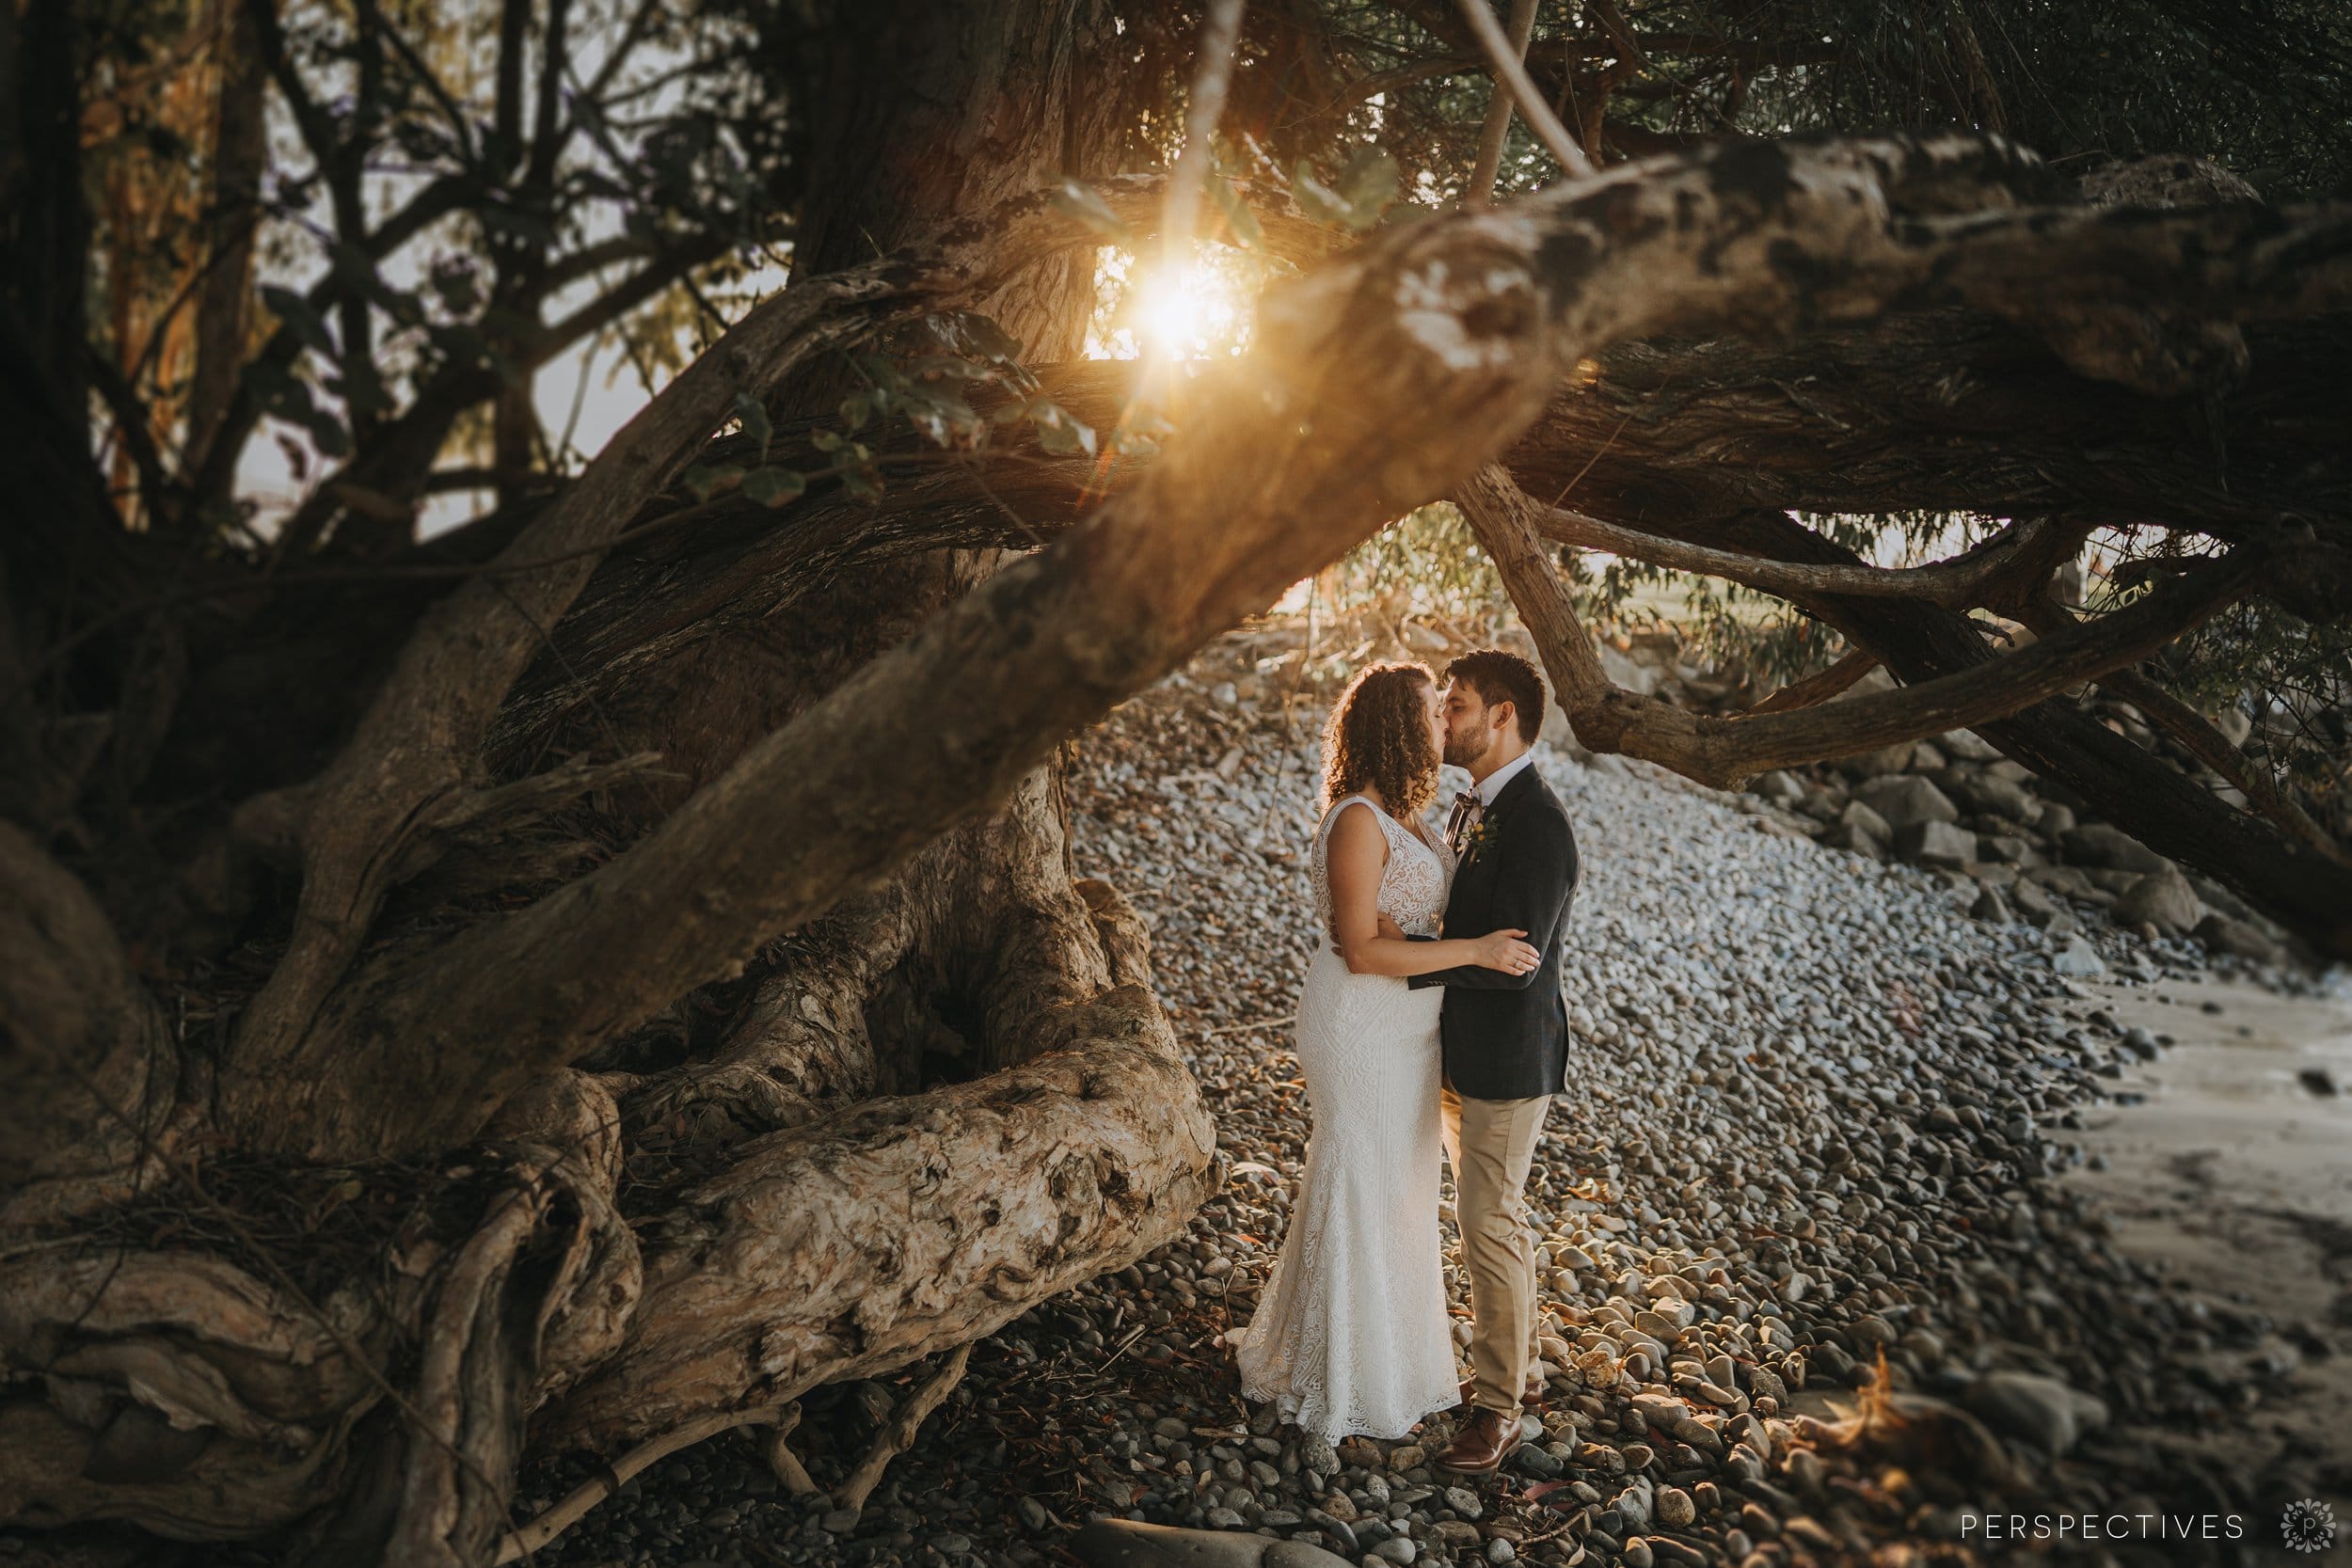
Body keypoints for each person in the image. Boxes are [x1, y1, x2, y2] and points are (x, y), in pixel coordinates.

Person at [1234, 661, 1541, 1443]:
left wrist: (1435, 940)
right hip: (1359, 1025)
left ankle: (1394, 1363)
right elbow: (1364, 950)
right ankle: (1335, 1370)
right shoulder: (1359, 820)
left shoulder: (1412, 821)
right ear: (1400, 727)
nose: (1445, 719)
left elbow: (1398, 928)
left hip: (1409, 1031)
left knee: (1400, 1191)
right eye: (1432, 710)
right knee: (1356, 1179)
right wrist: (1470, 949)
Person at [1410, 649, 1581, 1476]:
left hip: (1509, 1061)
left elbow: (1514, 957)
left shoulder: (1540, 823)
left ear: (1503, 715)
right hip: (1454, 1050)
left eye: (1460, 703)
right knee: (1489, 1217)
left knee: (1487, 1221)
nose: (1445, 716)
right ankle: (1521, 1361)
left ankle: (1499, 1409)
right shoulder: (1470, 806)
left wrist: (1398, 956)